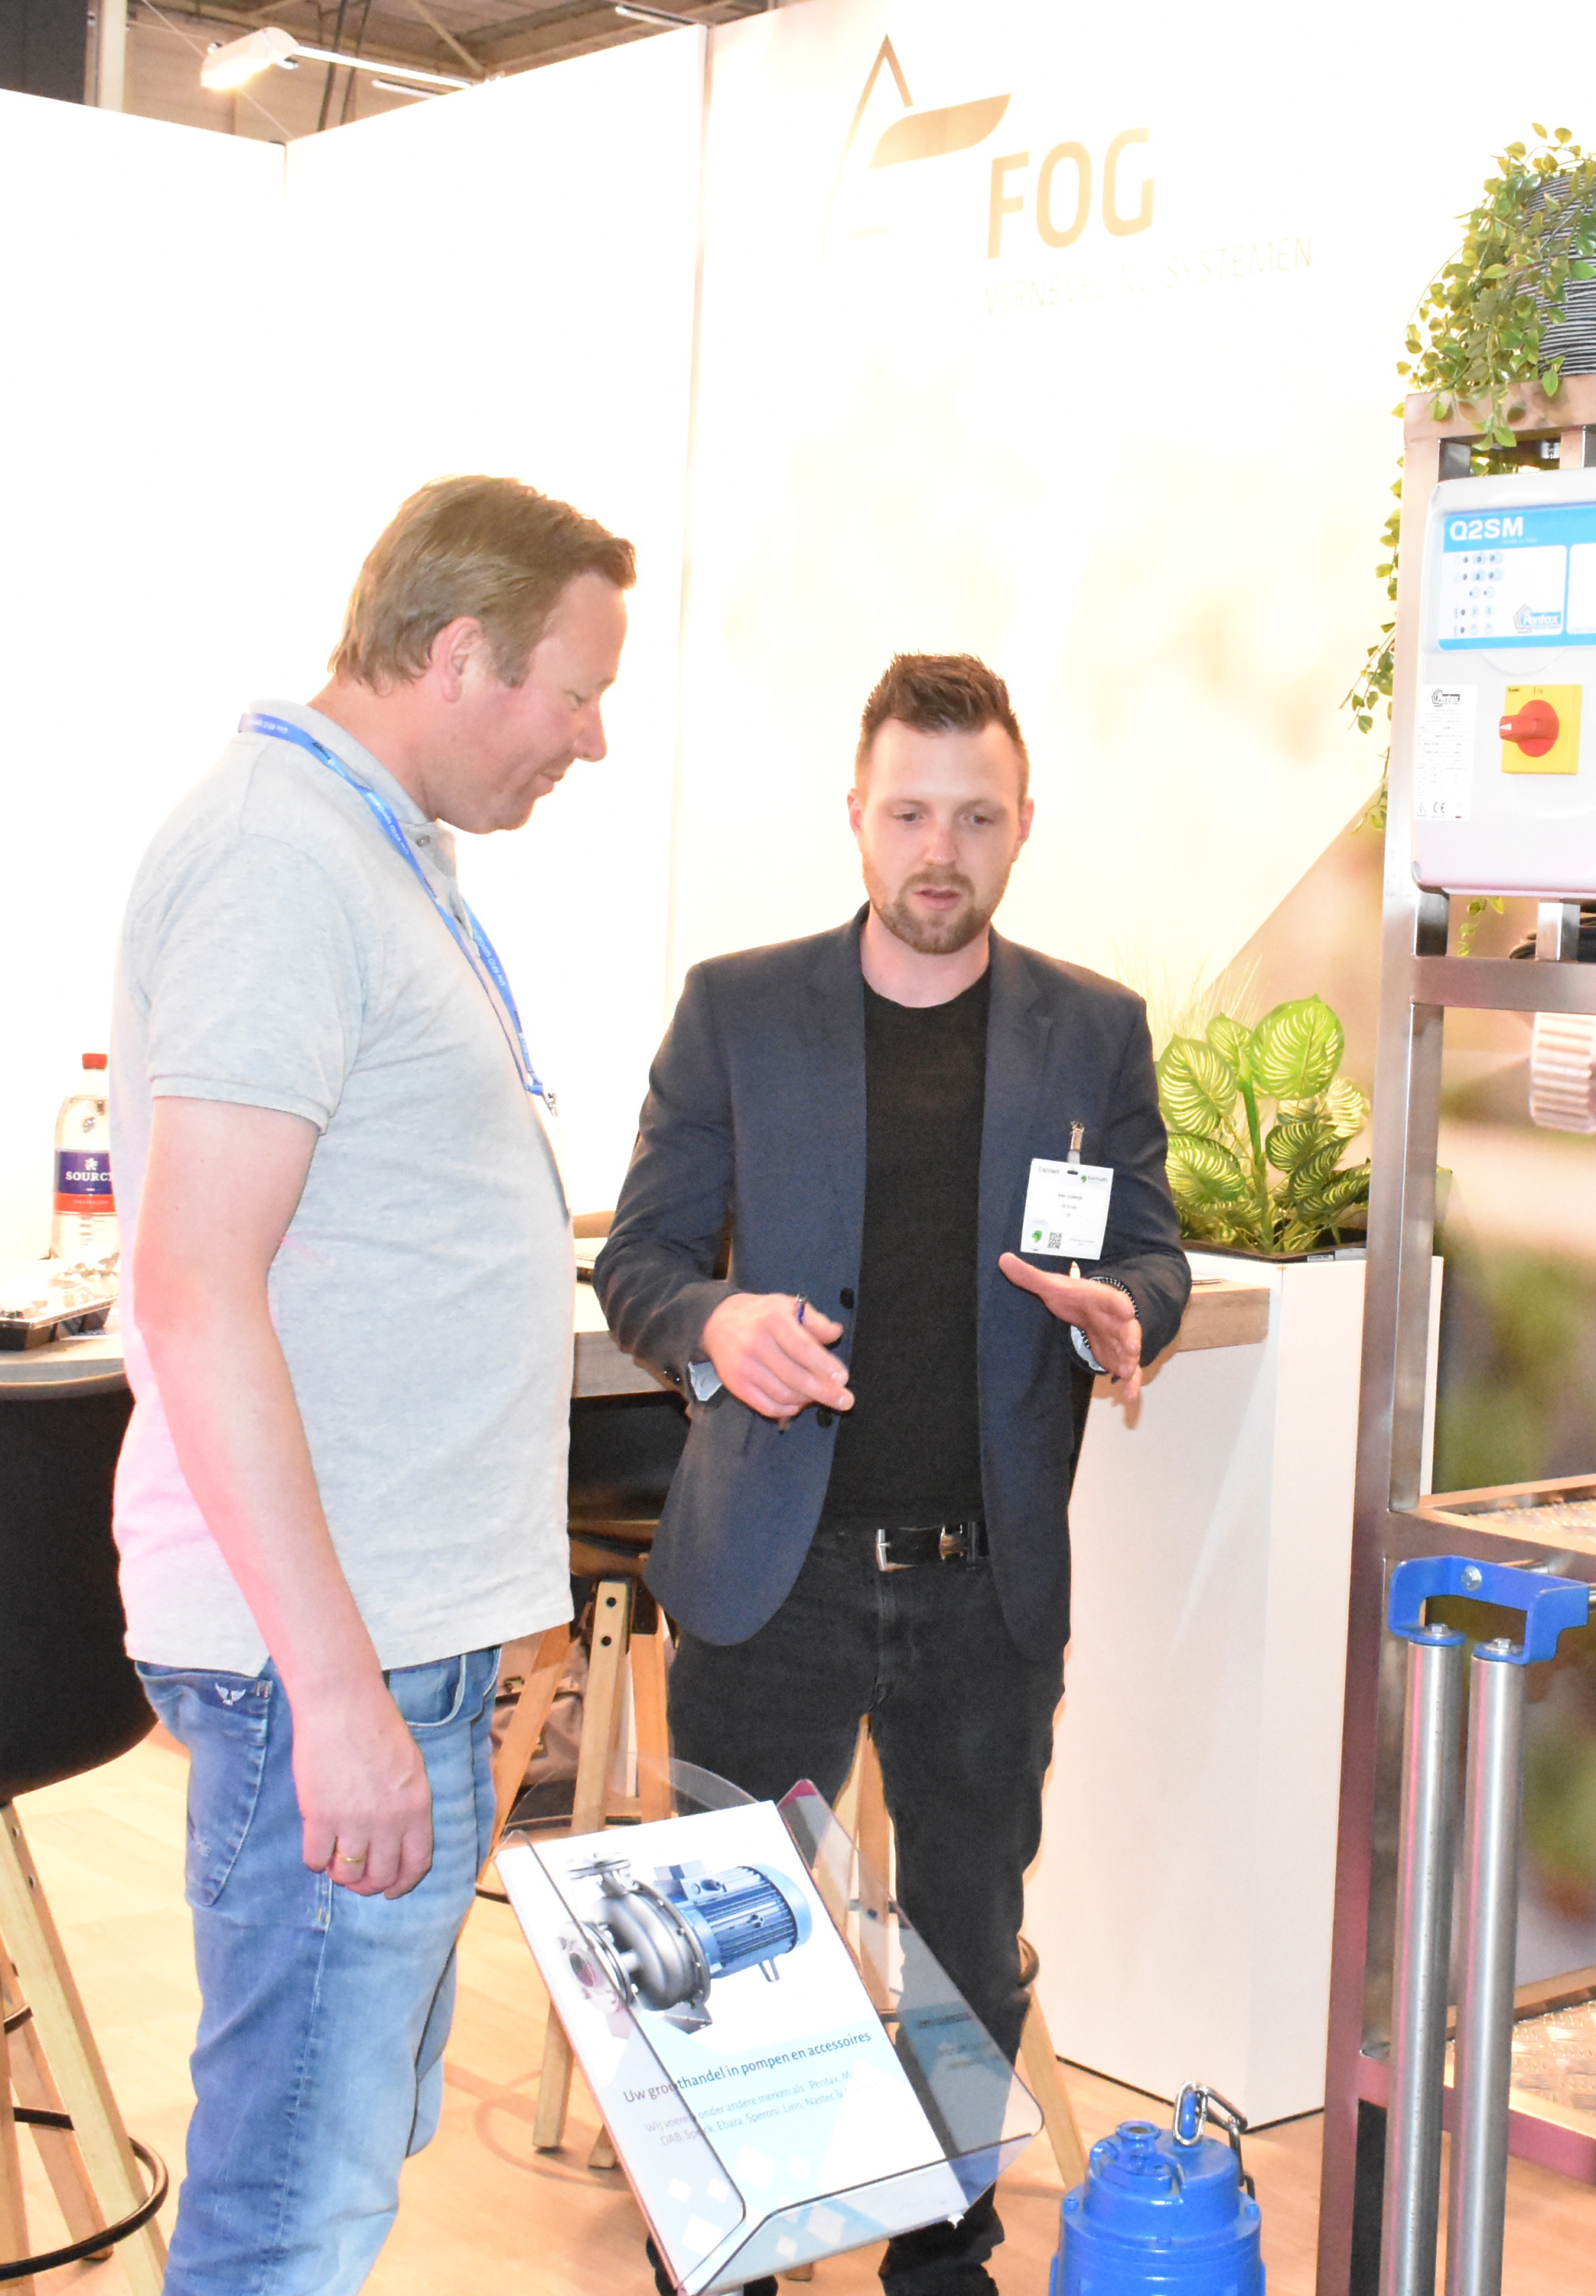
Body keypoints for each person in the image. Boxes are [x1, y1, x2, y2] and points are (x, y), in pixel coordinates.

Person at [594, 652, 1190, 2296]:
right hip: (769, 1570)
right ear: (855, 815)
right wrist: (717, 1323)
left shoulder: (1091, 1033)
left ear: (1022, 827)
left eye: (976, 819)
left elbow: (1151, 1253)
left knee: (965, 1956)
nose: (943, 849)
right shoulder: (737, 1012)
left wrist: (1125, 1313)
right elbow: (640, 1261)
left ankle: (943, 2260)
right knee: (718, 1957)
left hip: (984, 1580)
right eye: (912, 813)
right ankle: (724, 2257)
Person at [111, 475, 633, 2291]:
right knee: (290, 2206)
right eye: (576, 690)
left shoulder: (370, 851)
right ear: (464, 651)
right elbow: (195, 1289)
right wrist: (335, 1697)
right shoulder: (281, 862)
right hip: (327, 1655)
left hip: (392, 1632)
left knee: (331, 2169)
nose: (592, 737)